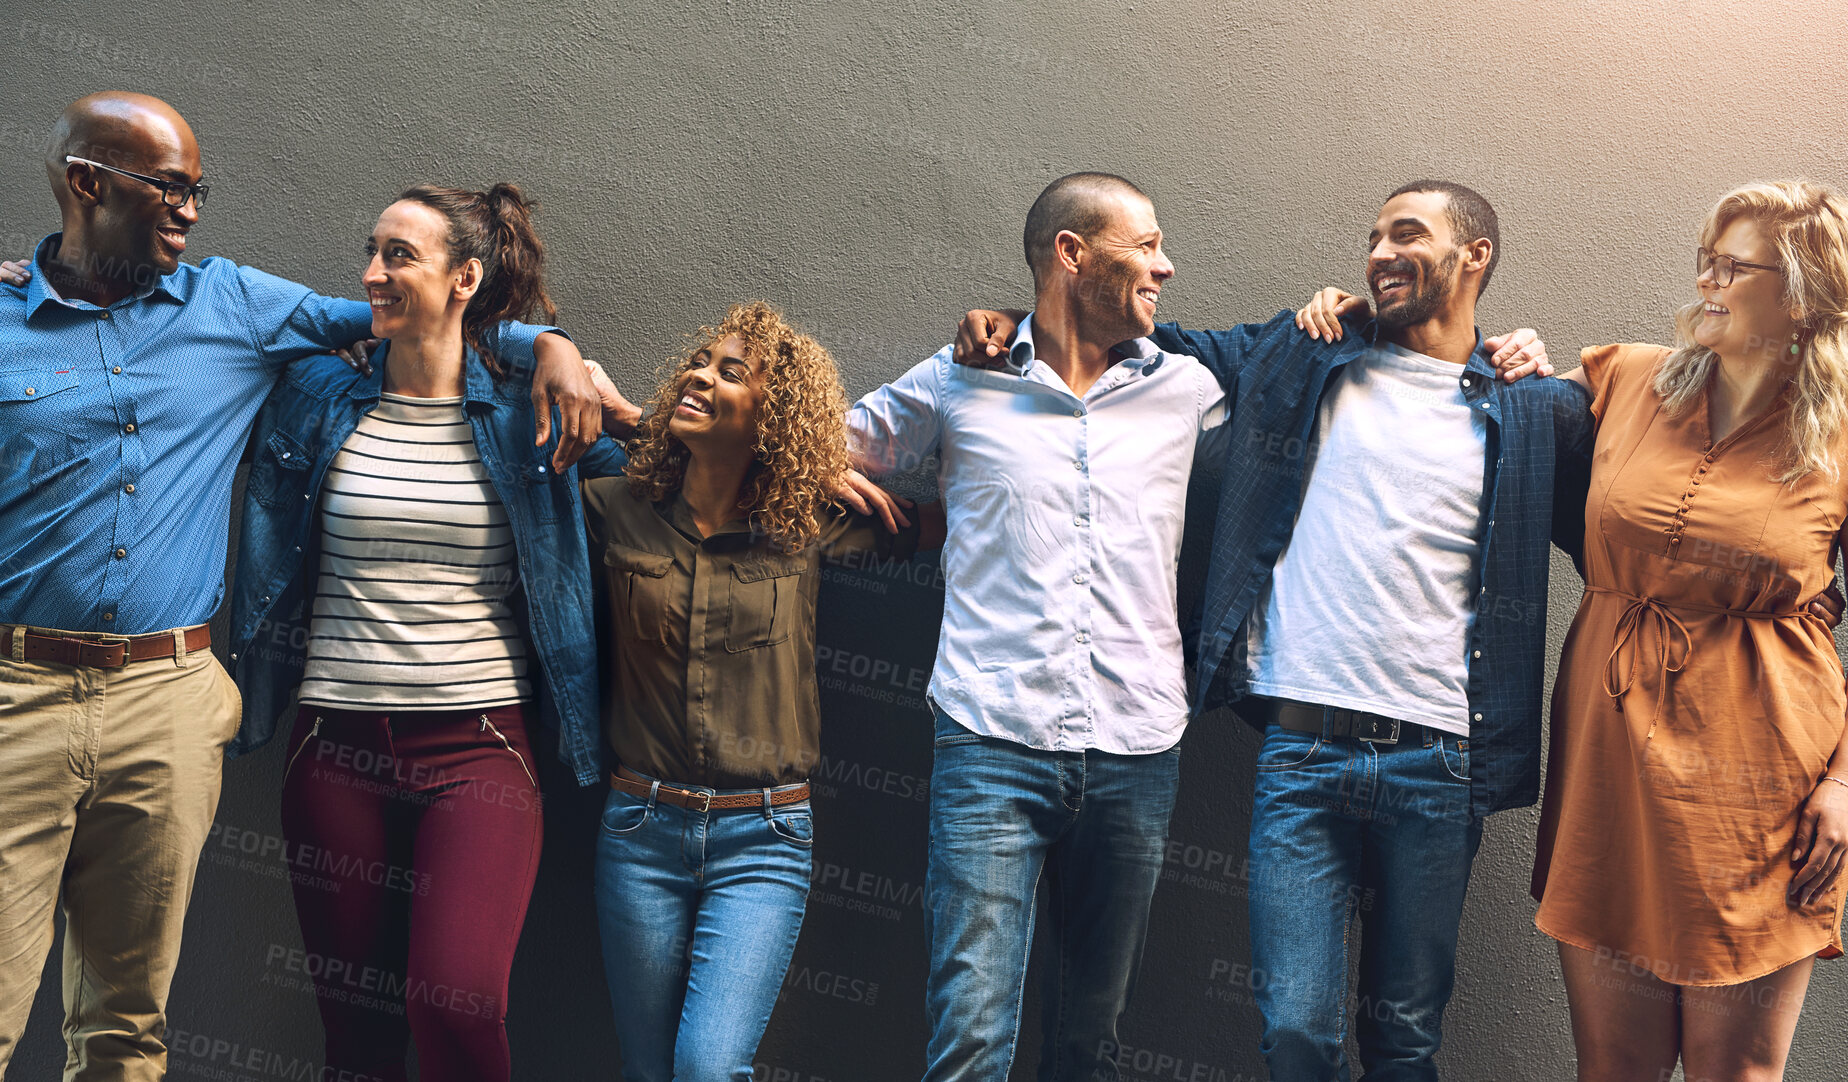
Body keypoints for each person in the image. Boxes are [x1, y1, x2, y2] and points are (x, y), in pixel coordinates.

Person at [0, 92, 590, 1082]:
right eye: (170, 188)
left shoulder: (231, 303)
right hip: (26, 696)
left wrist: (555, 347)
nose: (190, 210)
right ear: (88, 183)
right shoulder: (10, 321)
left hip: (180, 701)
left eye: (199, 190)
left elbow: (431, 326)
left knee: (125, 1021)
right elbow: (394, 310)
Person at [956, 180, 1588, 1082]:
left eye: (1407, 234)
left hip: (1443, 760)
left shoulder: (1531, 408)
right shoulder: (1302, 353)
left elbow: (1643, 524)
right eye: (1371, 235)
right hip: (1302, 756)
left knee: (1406, 1039)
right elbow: (1127, 337)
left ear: (1474, 256)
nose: (1377, 253)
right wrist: (1011, 319)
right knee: (1296, 1030)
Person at [221, 182, 631, 1082]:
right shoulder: (314, 391)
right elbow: (193, 343)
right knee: (355, 1038)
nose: (371, 272)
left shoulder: (532, 408)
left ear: (465, 278)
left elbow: (665, 468)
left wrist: (573, 364)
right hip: (333, 744)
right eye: (371, 250)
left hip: (479, 745)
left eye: (399, 256)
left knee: (456, 1001)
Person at [847, 173, 1231, 1081]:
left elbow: (1314, 384)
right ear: (1072, 253)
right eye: (1145, 246)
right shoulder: (958, 381)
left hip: (1139, 747)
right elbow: (815, 439)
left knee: (1087, 1045)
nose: (1165, 266)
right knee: (970, 1043)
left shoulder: (1187, 390)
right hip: (991, 742)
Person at [1531, 179, 1848, 1082]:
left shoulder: (1841, 432)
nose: (1707, 280)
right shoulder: (1626, 378)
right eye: (1704, 260)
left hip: (1764, 778)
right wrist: (1500, 349)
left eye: (1733, 266)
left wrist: (1847, 784)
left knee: (1735, 1072)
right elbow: (1476, 399)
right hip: (1609, 759)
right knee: (1613, 1070)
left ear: (1800, 291)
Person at [581, 300, 942, 1081]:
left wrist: (812, 468)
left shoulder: (809, 523)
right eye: (701, 363)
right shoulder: (615, 508)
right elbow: (521, 410)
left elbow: (965, 519)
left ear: (771, 418)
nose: (700, 375)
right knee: (648, 1071)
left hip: (765, 840)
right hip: (639, 828)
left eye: (729, 372)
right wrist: (619, 416)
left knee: (708, 1068)